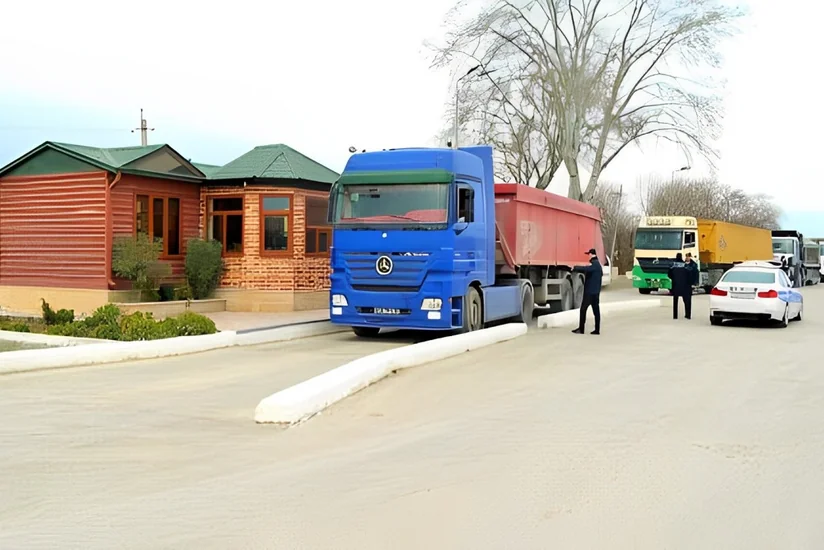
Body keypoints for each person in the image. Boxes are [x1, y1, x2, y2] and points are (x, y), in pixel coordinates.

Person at [571, 248, 602, 335]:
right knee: (596, 312)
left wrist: (575, 267)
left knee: (583, 310)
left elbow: (587, 269)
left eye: (589, 254)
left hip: (590, 293)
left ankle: (581, 329)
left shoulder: (595, 264)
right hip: (596, 293)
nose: (588, 256)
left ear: (592, 255)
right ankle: (597, 330)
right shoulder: (598, 265)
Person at [667, 252, 692, 319]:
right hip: (685, 286)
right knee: (687, 301)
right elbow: (690, 274)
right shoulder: (685, 265)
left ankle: (675, 316)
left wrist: (674, 279)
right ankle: (688, 315)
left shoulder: (673, 265)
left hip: (675, 285)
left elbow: (669, 274)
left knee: (675, 301)